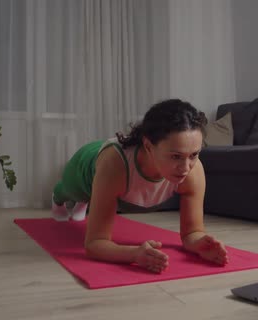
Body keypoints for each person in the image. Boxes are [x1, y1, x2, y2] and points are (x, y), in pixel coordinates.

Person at [51, 99, 229, 273]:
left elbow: (192, 232)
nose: (185, 168)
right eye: (175, 156)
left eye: (194, 154)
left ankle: (87, 201)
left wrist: (199, 243)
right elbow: (94, 244)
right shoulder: (115, 165)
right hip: (85, 164)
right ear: (148, 146)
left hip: (110, 181)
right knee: (68, 192)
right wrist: (133, 254)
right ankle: (61, 199)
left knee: (92, 200)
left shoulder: (194, 170)